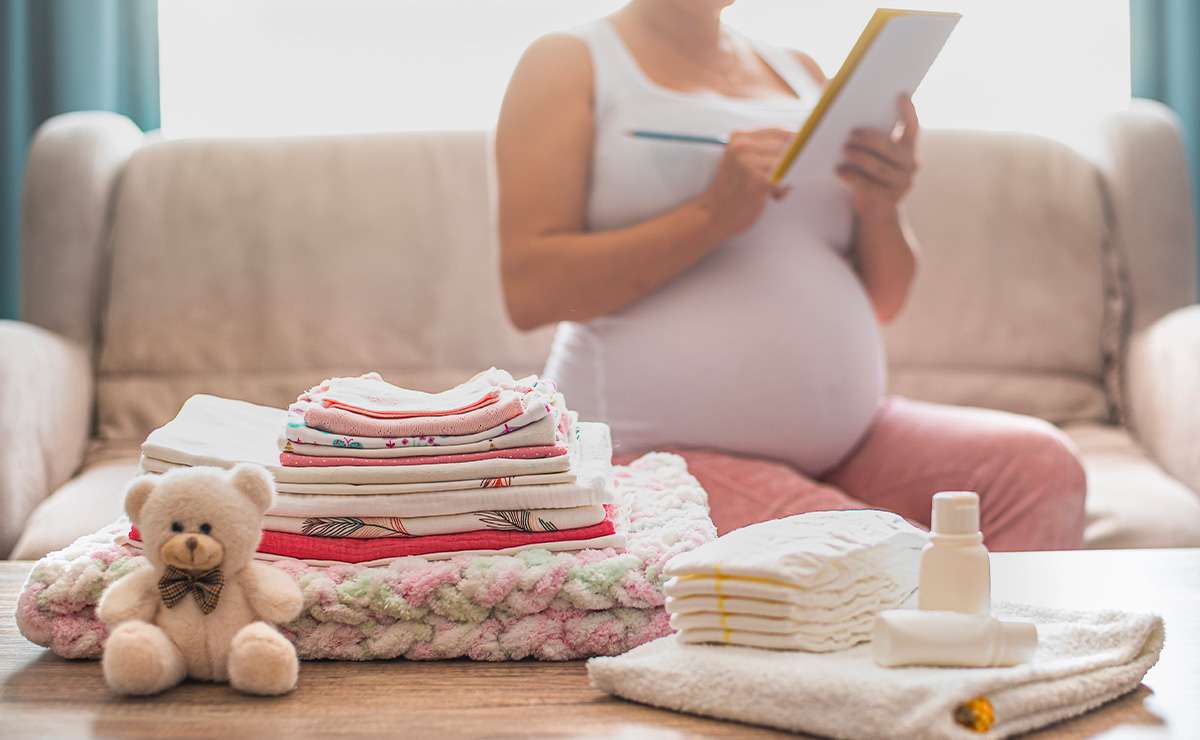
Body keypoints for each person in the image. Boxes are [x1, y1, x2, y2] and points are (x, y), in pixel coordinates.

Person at [495, 0, 1086, 550]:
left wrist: (883, 203)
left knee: (1039, 469)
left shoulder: (800, 73)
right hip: (654, 453)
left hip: (849, 436)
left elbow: (882, 300)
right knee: (871, 552)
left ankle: (1002, 661)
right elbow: (530, 292)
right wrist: (708, 216)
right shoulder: (569, 62)